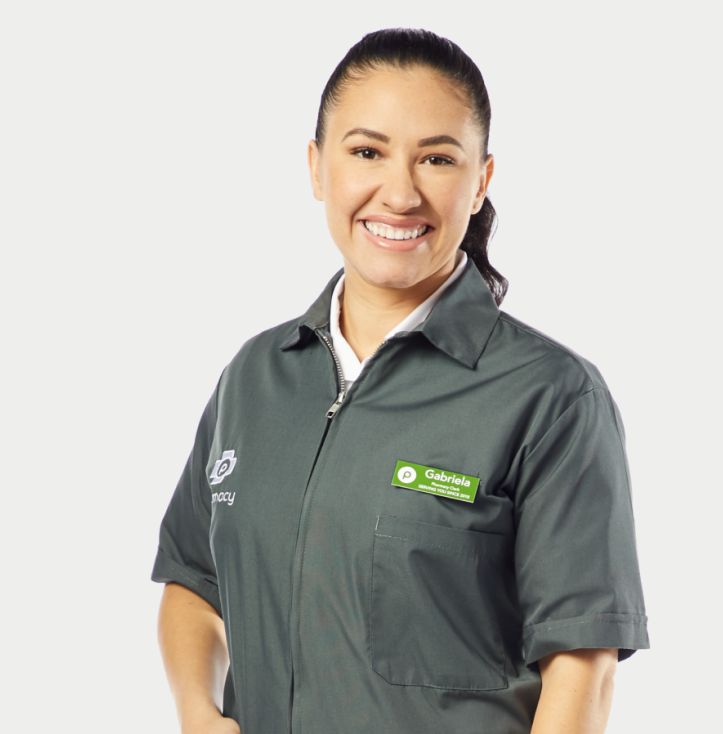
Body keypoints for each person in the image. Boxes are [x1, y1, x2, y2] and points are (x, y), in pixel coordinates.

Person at [152, 28, 649, 734]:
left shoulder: (550, 397)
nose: (399, 192)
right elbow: (194, 582)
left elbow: (581, 665)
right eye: (366, 152)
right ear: (317, 168)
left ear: (480, 181)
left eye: (438, 159)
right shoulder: (256, 378)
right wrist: (200, 713)